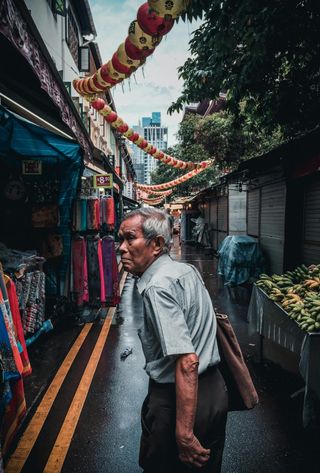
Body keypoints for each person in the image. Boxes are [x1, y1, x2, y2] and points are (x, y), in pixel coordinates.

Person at [118, 208, 228, 473]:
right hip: (213, 392)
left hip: (180, 399)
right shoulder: (185, 271)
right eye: (120, 239)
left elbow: (187, 361)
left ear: (156, 244)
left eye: (130, 238)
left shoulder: (158, 287)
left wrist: (184, 432)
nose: (121, 248)